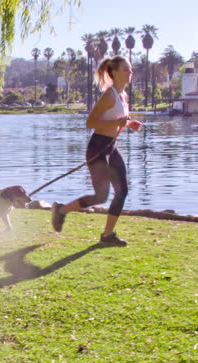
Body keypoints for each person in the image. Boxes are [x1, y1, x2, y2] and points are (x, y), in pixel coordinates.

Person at [51, 55, 142, 246]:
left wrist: (128, 124)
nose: (130, 73)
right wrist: (115, 123)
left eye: (130, 69)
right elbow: (90, 122)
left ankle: (107, 235)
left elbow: (116, 122)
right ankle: (61, 211)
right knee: (101, 195)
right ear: (114, 72)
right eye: (125, 69)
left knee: (122, 191)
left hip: (112, 146)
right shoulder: (109, 95)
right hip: (98, 148)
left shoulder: (123, 96)